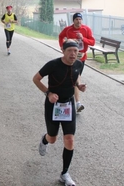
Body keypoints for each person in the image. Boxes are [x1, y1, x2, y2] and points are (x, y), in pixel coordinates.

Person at [33, 39, 86, 186]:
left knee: (69, 139)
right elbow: (36, 79)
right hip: (53, 105)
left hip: (68, 104)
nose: (73, 54)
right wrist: (48, 93)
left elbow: (76, 77)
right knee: (53, 138)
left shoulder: (79, 64)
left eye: (75, 51)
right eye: (70, 50)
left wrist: (78, 85)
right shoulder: (53, 64)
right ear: (63, 51)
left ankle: (64, 174)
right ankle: (45, 140)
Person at [58, 12, 95, 112]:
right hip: (70, 58)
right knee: (74, 78)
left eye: (80, 19)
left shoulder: (86, 29)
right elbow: (61, 36)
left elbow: (92, 42)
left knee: (74, 79)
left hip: (81, 58)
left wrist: (83, 38)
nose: (78, 21)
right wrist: (62, 46)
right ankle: (76, 103)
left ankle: (73, 102)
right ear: (73, 20)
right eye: (76, 19)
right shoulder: (68, 29)